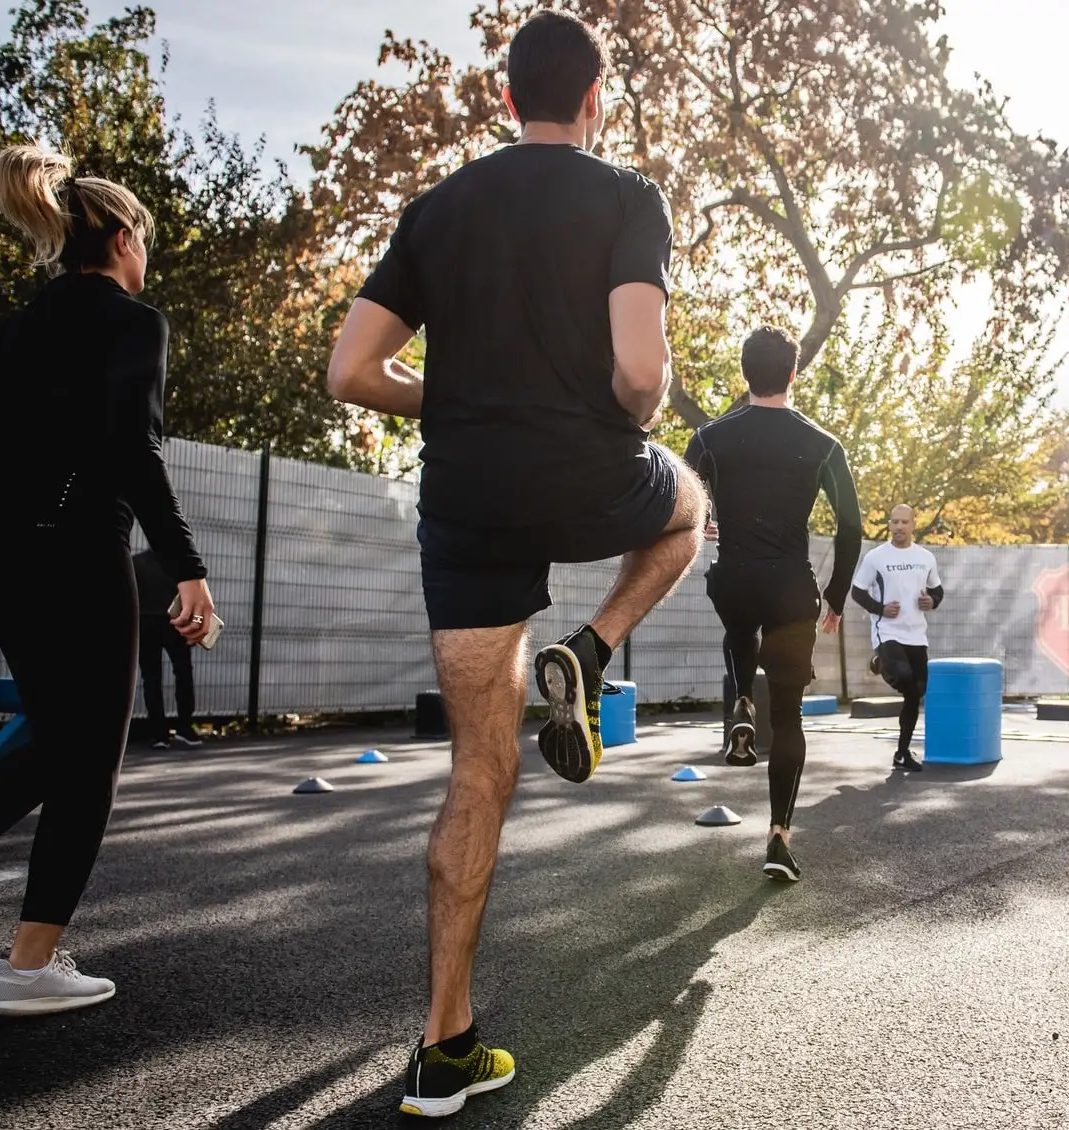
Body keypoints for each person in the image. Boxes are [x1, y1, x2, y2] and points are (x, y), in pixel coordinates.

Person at [324, 11, 705, 1118]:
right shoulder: (627, 197)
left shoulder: (437, 211)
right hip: (590, 476)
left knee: (476, 774)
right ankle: (591, 645)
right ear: (596, 103)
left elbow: (352, 370)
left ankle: (444, 1044)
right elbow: (640, 371)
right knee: (687, 509)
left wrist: (445, 399)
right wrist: (640, 405)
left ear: (506, 102)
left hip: (469, 500)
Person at [0, 144, 214, 1015]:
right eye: (148, 240)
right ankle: (28, 965)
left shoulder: (30, 321)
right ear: (124, 238)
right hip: (76, 550)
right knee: (89, 756)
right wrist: (189, 569)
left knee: (57, 739)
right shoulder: (134, 322)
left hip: (3, 554)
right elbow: (135, 450)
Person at [685, 326, 862, 883]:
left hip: (734, 578)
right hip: (791, 590)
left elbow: (681, 502)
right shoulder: (823, 444)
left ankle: (740, 700)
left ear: (744, 373)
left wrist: (706, 520)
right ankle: (779, 838)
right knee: (789, 718)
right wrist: (835, 597)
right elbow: (852, 529)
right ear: (793, 373)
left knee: (739, 622)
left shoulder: (710, 437)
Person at [850, 505, 944, 771]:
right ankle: (883, 660)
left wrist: (932, 601)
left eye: (904, 522)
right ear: (890, 525)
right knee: (903, 677)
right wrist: (880, 609)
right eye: (894, 522)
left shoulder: (926, 557)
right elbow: (857, 593)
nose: (899, 527)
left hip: (916, 634)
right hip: (887, 632)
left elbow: (938, 590)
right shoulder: (876, 557)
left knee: (917, 692)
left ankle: (902, 754)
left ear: (914, 524)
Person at [133, 547, 201, 749]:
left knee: (151, 679)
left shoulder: (136, 562)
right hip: (176, 625)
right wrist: (196, 625)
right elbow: (195, 598)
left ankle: (159, 734)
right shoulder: (180, 562)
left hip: (146, 625)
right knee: (183, 674)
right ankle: (184, 728)